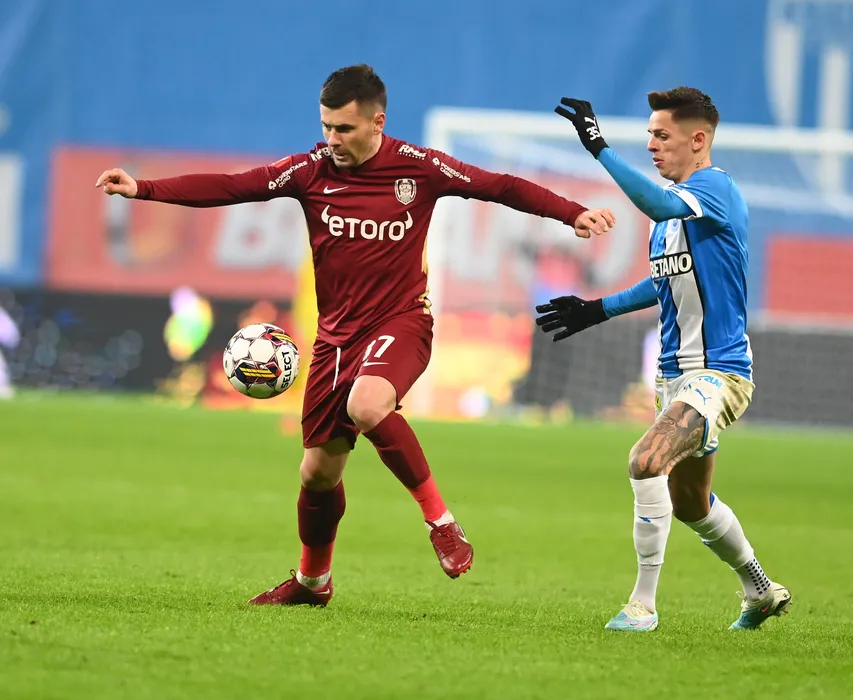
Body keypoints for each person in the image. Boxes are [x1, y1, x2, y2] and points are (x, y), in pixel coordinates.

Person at [96, 64, 615, 607]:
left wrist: (571, 213)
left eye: (343, 128)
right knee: (317, 475)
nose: (332, 139)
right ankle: (312, 583)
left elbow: (500, 186)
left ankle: (441, 521)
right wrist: (143, 189)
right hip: (335, 341)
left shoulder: (420, 168)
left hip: (401, 321)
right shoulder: (308, 171)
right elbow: (232, 185)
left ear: (377, 123)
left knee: (367, 405)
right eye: (326, 126)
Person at [536, 88, 791, 631]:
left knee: (646, 460)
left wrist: (599, 148)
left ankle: (642, 606)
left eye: (661, 136)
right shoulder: (670, 217)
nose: (651, 145)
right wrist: (596, 310)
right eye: (649, 135)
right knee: (692, 502)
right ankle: (760, 589)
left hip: (718, 373)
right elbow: (661, 282)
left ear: (698, 140)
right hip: (672, 377)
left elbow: (654, 202)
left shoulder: (716, 189)